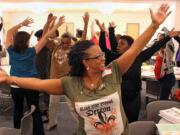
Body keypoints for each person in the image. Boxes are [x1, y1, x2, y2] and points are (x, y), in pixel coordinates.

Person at [0, 3, 171, 135]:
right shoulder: (70, 83)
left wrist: (153, 26)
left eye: (102, 54)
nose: (104, 58)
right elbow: (37, 84)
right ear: (85, 62)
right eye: (98, 56)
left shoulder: (113, 72)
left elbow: (134, 50)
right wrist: (10, 79)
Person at [95, 17, 179, 123]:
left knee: (132, 123)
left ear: (130, 47)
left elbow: (153, 48)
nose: (118, 46)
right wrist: (103, 32)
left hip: (133, 98)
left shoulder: (138, 57)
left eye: (122, 44)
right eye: (119, 43)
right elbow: (103, 47)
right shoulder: (115, 58)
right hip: (116, 98)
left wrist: (168, 37)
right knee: (117, 123)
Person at [4, 16, 65, 135]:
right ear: (25, 42)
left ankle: (18, 132)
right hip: (32, 85)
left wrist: (22, 23)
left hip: (15, 86)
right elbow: (46, 36)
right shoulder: (32, 51)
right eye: (28, 40)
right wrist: (57, 25)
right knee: (35, 110)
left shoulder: (10, 49)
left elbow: (9, 32)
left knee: (18, 110)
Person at [154, 27, 180, 100]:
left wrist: (166, 30)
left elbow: (170, 40)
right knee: (163, 97)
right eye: (158, 39)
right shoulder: (161, 50)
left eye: (161, 39)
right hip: (162, 78)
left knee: (163, 99)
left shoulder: (169, 50)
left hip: (167, 77)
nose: (159, 41)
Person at [34, 29, 51, 123]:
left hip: (44, 77)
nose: (37, 40)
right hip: (38, 75)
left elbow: (47, 65)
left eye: (38, 37)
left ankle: (47, 114)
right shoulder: (39, 48)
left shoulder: (46, 49)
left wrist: (46, 77)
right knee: (41, 97)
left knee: (46, 97)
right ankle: (43, 112)